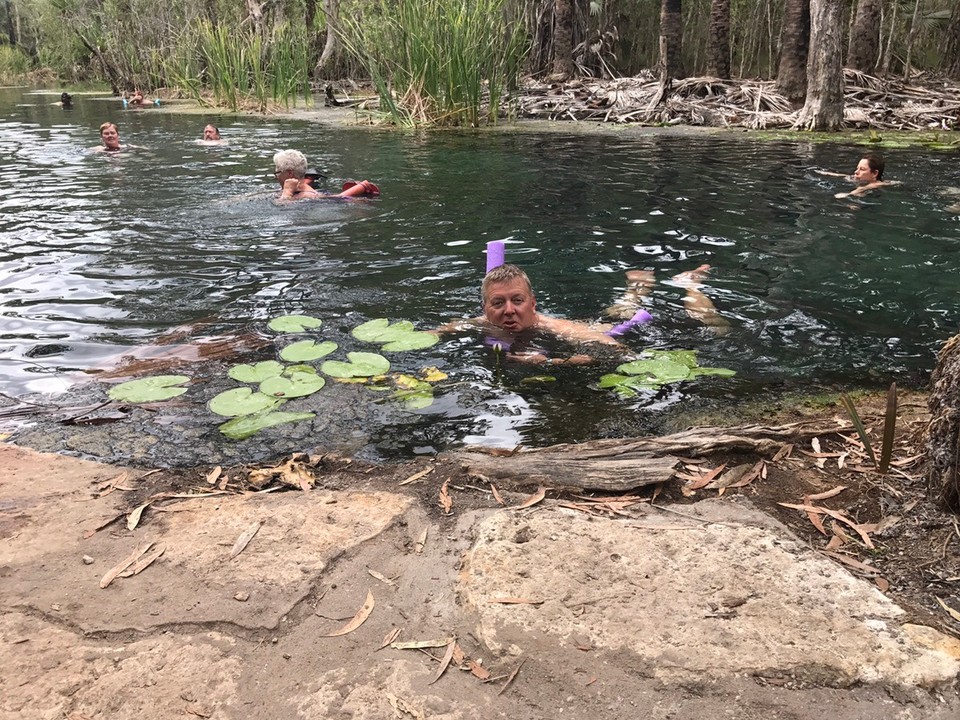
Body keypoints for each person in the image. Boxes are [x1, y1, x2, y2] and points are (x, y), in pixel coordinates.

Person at [438, 263, 729, 365]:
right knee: (620, 311)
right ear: (485, 309)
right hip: (605, 323)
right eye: (498, 303)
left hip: (609, 331)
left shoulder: (556, 327)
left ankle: (690, 286)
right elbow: (440, 330)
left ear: (533, 303)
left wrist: (553, 362)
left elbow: (622, 353)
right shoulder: (479, 324)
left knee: (714, 328)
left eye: (517, 300)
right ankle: (636, 288)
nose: (509, 310)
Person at [272, 149, 379, 201]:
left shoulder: (308, 196)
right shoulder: (299, 193)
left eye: (278, 173)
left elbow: (283, 210)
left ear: (290, 173)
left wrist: (287, 192)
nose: (276, 177)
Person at [816, 153, 893, 198]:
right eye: (857, 168)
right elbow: (845, 175)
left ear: (875, 173)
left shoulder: (877, 184)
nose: (856, 172)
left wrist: (847, 194)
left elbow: (862, 189)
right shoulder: (858, 178)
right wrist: (828, 173)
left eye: (862, 169)